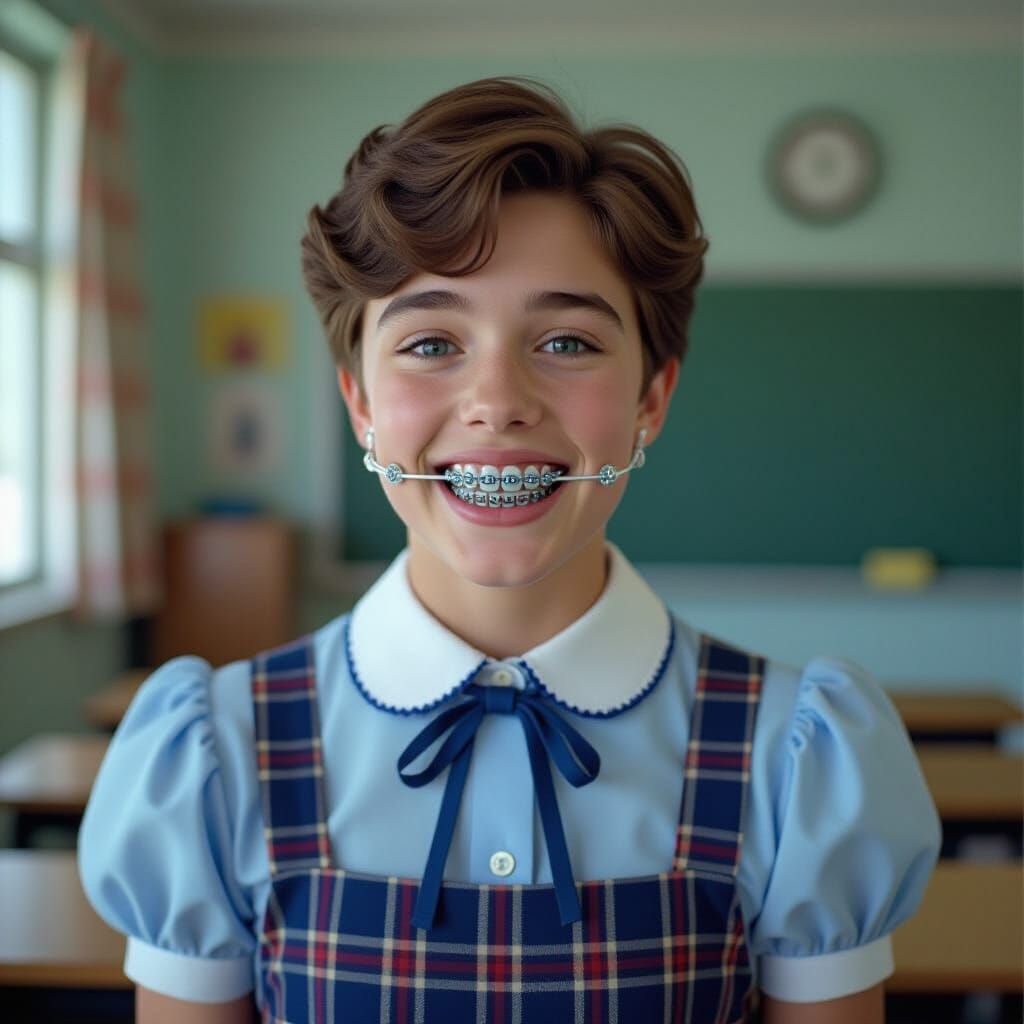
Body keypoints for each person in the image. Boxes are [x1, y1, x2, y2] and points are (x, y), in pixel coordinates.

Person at [78, 75, 941, 1023]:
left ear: (651, 399)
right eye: (430, 344)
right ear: (360, 402)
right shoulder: (221, 753)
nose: (497, 402)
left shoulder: (794, 757)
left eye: (566, 342)